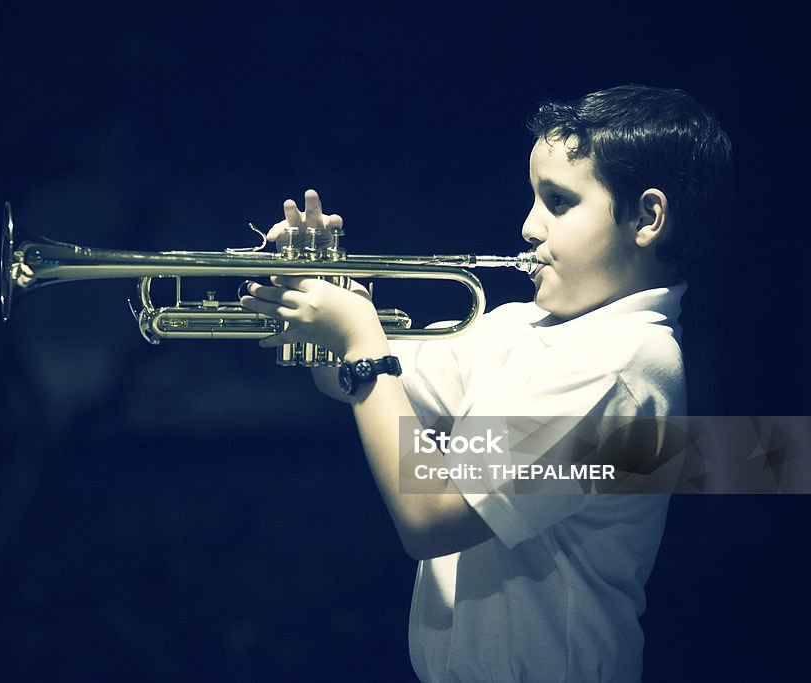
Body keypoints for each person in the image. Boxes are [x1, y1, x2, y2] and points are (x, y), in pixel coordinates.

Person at [240, 84, 733, 681]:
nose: (528, 226)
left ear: (648, 218)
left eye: (558, 201)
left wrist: (362, 344)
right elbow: (359, 387)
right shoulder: (520, 327)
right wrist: (322, 311)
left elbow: (430, 514)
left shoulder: (627, 363)